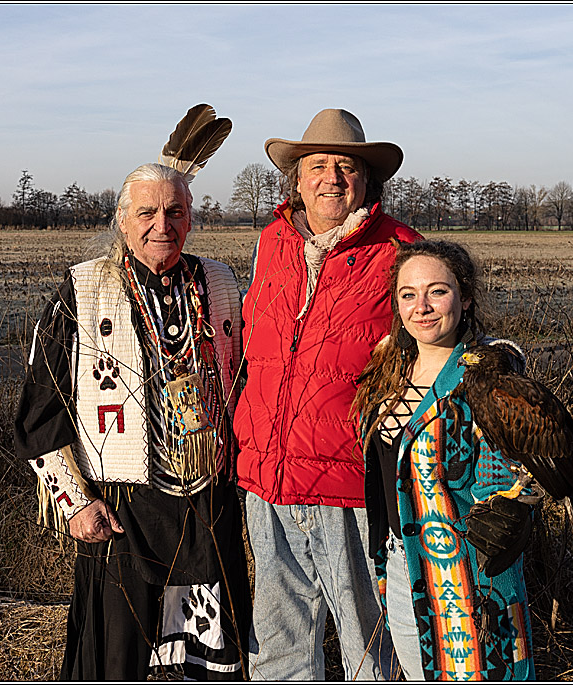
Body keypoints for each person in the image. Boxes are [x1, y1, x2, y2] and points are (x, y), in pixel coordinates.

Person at [14, 162, 251, 680]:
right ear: (123, 221)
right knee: (118, 658)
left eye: (175, 211)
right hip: (122, 510)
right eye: (146, 212)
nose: (161, 224)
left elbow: (250, 380)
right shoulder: (83, 291)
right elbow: (41, 410)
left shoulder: (221, 283)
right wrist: (74, 504)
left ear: (191, 220)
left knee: (209, 659)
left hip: (207, 506)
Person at [233, 108, 421, 680]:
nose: (331, 177)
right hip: (267, 481)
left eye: (346, 166)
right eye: (318, 165)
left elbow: (438, 355)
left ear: (368, 180)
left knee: (370, 646)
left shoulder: (401, 252)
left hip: (352, 487)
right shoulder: (273, 243)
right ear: (296, 178)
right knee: (279, 644)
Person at [352, 239, 536, 680]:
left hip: (468, 574)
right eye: (408, 294)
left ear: (466, 297)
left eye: (438, 291)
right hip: (401, 565)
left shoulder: (490, 375)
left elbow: (514, 478)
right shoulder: (389, 370)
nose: (423, 307)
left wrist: (518, 508)